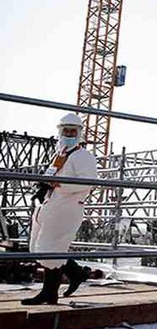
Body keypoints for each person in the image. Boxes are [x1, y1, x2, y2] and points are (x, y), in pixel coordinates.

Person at [22, 113, 99, 305]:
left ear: (79, 133)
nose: (69, 134)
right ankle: (76, 273)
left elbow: (87, 182)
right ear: (60, 132)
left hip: (67, 208)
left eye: (73, 131)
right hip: (51, 206)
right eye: (66, 131)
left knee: (50, 250)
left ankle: (49, 292)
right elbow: (52, 176)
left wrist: (60, 184)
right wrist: (44, 186)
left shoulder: (84, 156)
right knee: (39, 248)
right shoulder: (61, 154)